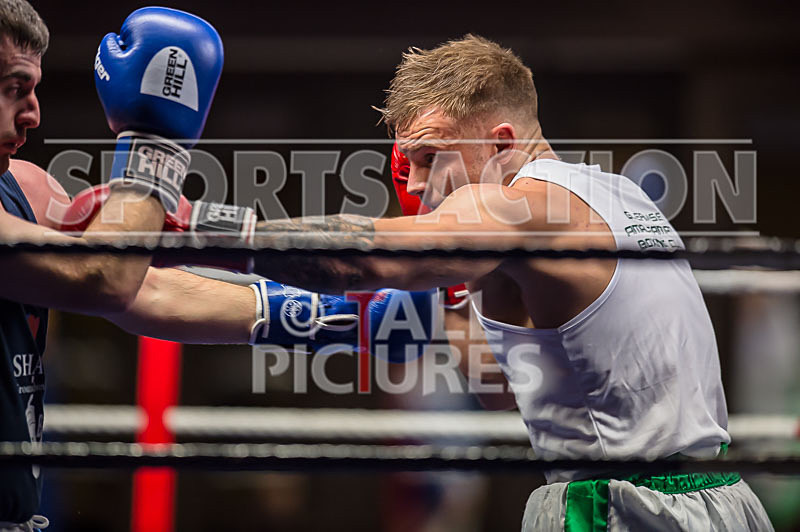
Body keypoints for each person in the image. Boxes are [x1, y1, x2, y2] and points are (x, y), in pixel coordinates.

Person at [241, 35, 774, 530]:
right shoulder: (614, 194)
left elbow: (366, 262)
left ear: (500, 145)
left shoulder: (518, 207)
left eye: (429, 158)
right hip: (722, 498)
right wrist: (453, 283)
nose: (418, 181)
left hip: (618, 506)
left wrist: (213, 231)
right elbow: (504, 390)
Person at [0, 3, 228, 529]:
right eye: (13, 87)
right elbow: (102, 277)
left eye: (34, 88)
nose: (33, 112)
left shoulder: (27, 188)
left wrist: (325, 316)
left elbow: (144, 291)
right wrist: (155, 146)